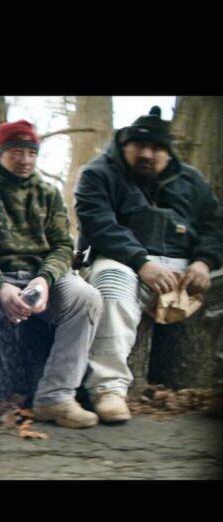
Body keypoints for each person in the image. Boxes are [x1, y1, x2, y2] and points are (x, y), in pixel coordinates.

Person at [0, 120, 102, 431]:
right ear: (1, 152)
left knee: (87, 297)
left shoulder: (47, 192)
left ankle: (55, 397)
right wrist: (0, 286)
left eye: (32, 153)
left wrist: (44, 280)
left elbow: (62, 245)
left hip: (41, 275)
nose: (26, 160)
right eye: (17, 151)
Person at [75, 106, 223, 423]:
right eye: (139, 145)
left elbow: (215, 226)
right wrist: (141, 262)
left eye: (155, 148)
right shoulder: (97, 174)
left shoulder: (192, 180)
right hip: (125, 262)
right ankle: (108, 390)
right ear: (124, 144)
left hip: (187, 269)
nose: (146, 154)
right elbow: (99, 225)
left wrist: (203, 261)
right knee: (110, 284)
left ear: (168, 153)